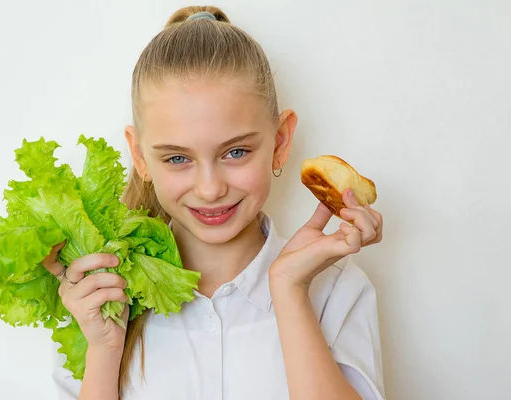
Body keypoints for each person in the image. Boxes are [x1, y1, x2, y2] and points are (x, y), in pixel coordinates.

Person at [42, 6, 385, 400]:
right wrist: (104, 351)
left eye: (236, 152)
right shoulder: (92, 298)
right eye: (177, 158)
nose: (209, 189)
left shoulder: (337, 289)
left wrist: (289, 291)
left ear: (280, 142)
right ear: (140, 157)